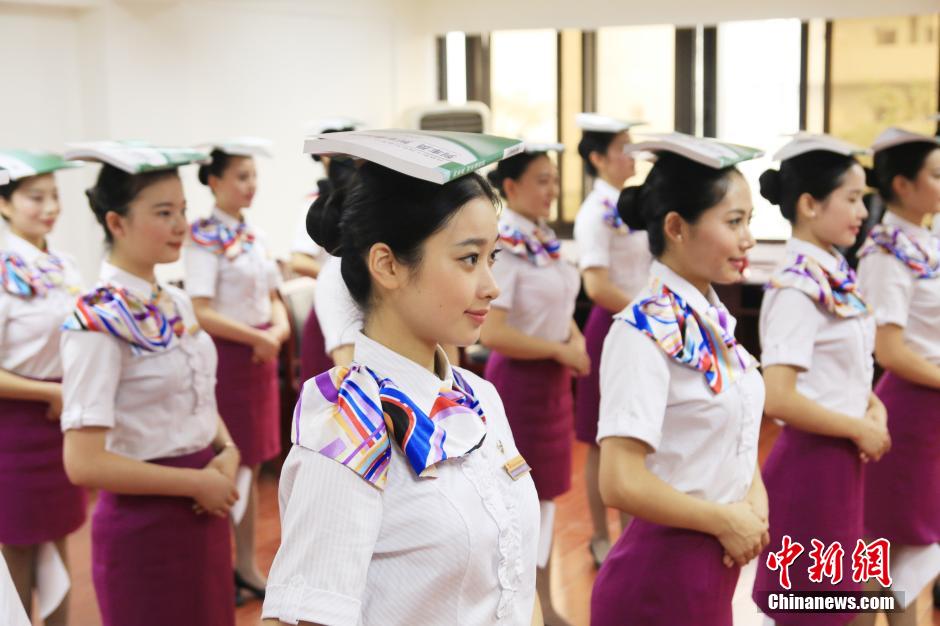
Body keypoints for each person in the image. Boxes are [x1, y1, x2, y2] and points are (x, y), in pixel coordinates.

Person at [261, 130, 540, 626]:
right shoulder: (350, 426)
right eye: (469, 259)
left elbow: (515, 584)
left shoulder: (480, 396)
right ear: (387, 265)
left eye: (492, 258)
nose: (492, 286)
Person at [590, 133, 769, 626]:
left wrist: (754, 498)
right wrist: (725, 518)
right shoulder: (640, 331)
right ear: (676, 227)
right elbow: (619, 480)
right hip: (659, 584)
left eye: (749, 221)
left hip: (711, 571)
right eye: (734, 222)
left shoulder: (710, 319)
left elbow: (734, 429)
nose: (748, 239)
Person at [59, 142, 239, 626]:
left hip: (204, 508)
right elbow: (82, 462)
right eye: (163, 213)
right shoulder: (96, 321)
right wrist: (195, 483)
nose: (181, 225)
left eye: (182, 209)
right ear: (116, 223)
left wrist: (226, 448)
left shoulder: (175, 302)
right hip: (145, 527)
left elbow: (195, 393)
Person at [750, 134, 890, 626]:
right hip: (812, 468)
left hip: (841, 461)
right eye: (851, 199)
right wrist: (858, 426)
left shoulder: (832, 273)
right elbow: (778, 396)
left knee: (848, 603)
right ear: (809, 204)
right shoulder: (796, 287)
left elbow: (843, 372)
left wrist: (873, 406)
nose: (861, 212)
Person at [481, 143, 586, 626]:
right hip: (519, 388)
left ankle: (541, 600)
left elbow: (560, 307)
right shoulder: (505, 246)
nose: (552, 189)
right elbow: (493, 333)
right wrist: (559, 350)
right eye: (542, 180)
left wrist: (574, 338)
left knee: (545, 498)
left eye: (555, 179)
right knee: (517, 500)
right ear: (511, 187)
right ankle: (517, 606)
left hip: (552, 385)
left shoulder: (544, 238)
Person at [184, 139, 289, 604]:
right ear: (214, 181)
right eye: (241, 176)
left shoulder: (254, 234)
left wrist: (279, 329)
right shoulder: (202, 238)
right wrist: (257, 338)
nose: (251, 185)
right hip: (228, 359)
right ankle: (223, 565)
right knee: (229, 459)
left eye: (253, 176)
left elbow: (273, 297)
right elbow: (202, 310)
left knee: (255, 459)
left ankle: (246, 564)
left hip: (260, 357)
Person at [855, 127, 940, 626]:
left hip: (931, 406)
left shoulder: (925, 241)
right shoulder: (885, 253)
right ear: (904, 185)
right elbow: (888, 350)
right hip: (908, 411)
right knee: (885, 541)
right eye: (937, 175)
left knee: (911, 547)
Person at [0, 151, 85, 625]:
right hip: (14, 427)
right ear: (4, 204)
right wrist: (50, 394)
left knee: (59, 533)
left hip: (63, 421)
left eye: (54, 196)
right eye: (36, 197)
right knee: (17, 542)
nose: (50, 207)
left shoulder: (64, 266)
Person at [572, 113, 652, 566]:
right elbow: (597, 286)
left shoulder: (631, 203)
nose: (631, 156)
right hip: (614, 328)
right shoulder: (594, 212)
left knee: (636, 432)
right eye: (622, 148)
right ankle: (602, 536)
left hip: (642, 324)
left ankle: (632, 532)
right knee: (601, 439)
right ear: (599, 158)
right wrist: (648, 316)